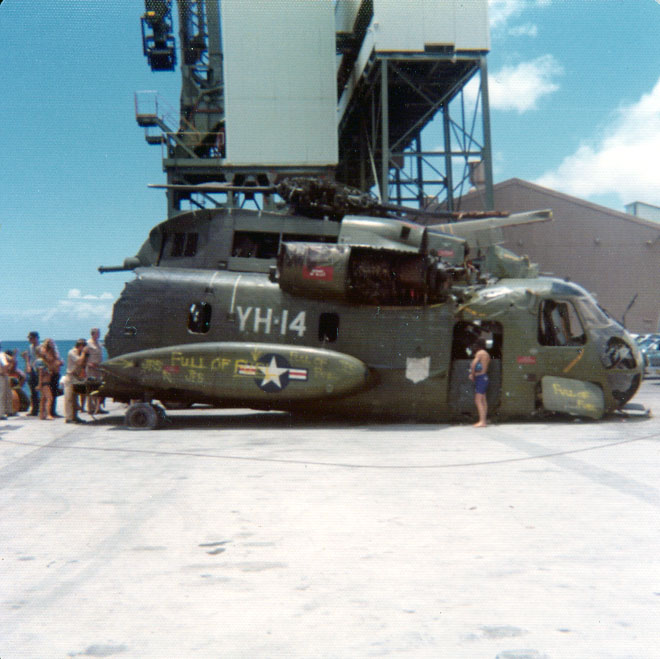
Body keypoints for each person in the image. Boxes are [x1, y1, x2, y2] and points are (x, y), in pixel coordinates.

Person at [62, 339, 88, 424]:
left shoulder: (81, 353)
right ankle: (69, 417)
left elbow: (84, 364)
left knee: (75, 398)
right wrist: (84, 353)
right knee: (69, 398)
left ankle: (75, 416)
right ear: (80, 346)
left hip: (77, 377)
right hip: (70, 376)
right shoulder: (72, 352)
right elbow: (79, 361)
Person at [468, 338, 491, 428]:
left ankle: (482, 422)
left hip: (480, 377)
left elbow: (473, 364)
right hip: (484, 377)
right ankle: (483, 420)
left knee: (478, 400)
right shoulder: (486, 354)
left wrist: (472, 374)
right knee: (483, 400)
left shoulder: (479, 353)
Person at [83, 327, 106, 414]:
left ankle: (98, 407)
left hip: (98, 369)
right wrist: (88, 364)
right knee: (91, 388)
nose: (99, 334)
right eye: (97, 333)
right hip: (91, 369)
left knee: (98, 388)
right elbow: (84, 357)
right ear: (93, 334)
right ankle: (90, 408)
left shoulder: (99, 344)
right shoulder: (88, 344)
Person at [41, 338, 62, 417]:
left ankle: (52, 411)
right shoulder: (45, 352)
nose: (52, 344)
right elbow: (48, 360)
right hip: (49, 375)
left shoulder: (54, 351)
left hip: (55, 373)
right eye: (50, 343)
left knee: (54, 393)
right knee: (48, 395)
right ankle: (47, 412)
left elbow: (57, 358)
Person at [22, 331, 41, 415]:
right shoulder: (30, 347)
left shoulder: (40, 347)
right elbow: (29, 358)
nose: (30, 340)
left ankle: (42, 408)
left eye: (31, 338)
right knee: (33, 390)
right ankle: (34, 409)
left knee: (41, 389)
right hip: (33, 370)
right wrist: (28, 366)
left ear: (36, 338)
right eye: (29, 338)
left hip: (40, 369)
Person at [0, 343, 13, 419]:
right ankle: (8, 410)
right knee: (6, 394)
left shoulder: (1, 355)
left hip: (1, 375)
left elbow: (5, 364)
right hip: (3, 375)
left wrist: (3, 372)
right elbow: (11, 360)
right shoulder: (3, 354)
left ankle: (1, 413)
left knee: (1, 395)